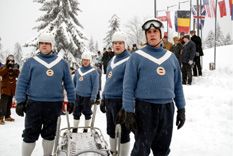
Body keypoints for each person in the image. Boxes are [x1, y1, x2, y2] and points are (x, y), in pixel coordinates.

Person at [118, 18, 186, 156]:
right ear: (146, 35)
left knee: (162, 150)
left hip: (167, 109)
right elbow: (128, 86)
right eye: (149, 32)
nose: (152, 34)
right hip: (145, 109)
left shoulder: (171, 57)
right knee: (141, 150)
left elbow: (178, 85)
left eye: (155, 31)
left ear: (161, 34)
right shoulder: (136, 57)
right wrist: (129, 111)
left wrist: (181, 109)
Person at [15, 33, 75, 156]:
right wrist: (20, 101)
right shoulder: (30, 62)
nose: (44, 45)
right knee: (30, 134)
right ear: (38, 45)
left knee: (49, 134)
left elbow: (69, 84)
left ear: (52, 45)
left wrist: (72, 100)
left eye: (47, 43)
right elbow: (22, 83)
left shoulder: (62, 63)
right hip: (34, 104)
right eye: (42, 43)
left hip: (54, 105)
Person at [100, 31, 131, 156]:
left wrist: (126, 106)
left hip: (121, 100)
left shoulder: (130, 60)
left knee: (123, 132)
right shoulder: (112, 59)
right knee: (111, 130)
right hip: (109, 100)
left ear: (125, 44)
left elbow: (130, 85)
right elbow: (108, 80)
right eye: (115, 43)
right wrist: (103, 98)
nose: (117, 45)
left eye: (120, 43)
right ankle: (113, 153)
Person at [72, 52, 99, 133]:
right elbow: (74, 83)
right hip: (78, 96)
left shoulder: (93, 72)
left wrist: (93, 97)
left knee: (87, 113)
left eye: (87, 60)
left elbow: (95, 86)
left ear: (90, 61)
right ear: (82, 60)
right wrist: (73, 94)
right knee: (76, 112)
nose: (85, 62)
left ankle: (86, 129)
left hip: (87, 97)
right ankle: (75, 128)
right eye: (84, 60)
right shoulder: (78, 71)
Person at [0, 55, 20, 124]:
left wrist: (16, 69)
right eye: (9, 60)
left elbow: (18, 75)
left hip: (11, 90)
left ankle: (7, 116)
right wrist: (7, 67)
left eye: (12, 61)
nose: (11, 62)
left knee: (9, 104)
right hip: (5, 89)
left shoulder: (14, 68)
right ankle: (0, 117)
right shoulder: (3, 67)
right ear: (7, 61)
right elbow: (1, 73)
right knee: (3, 104)